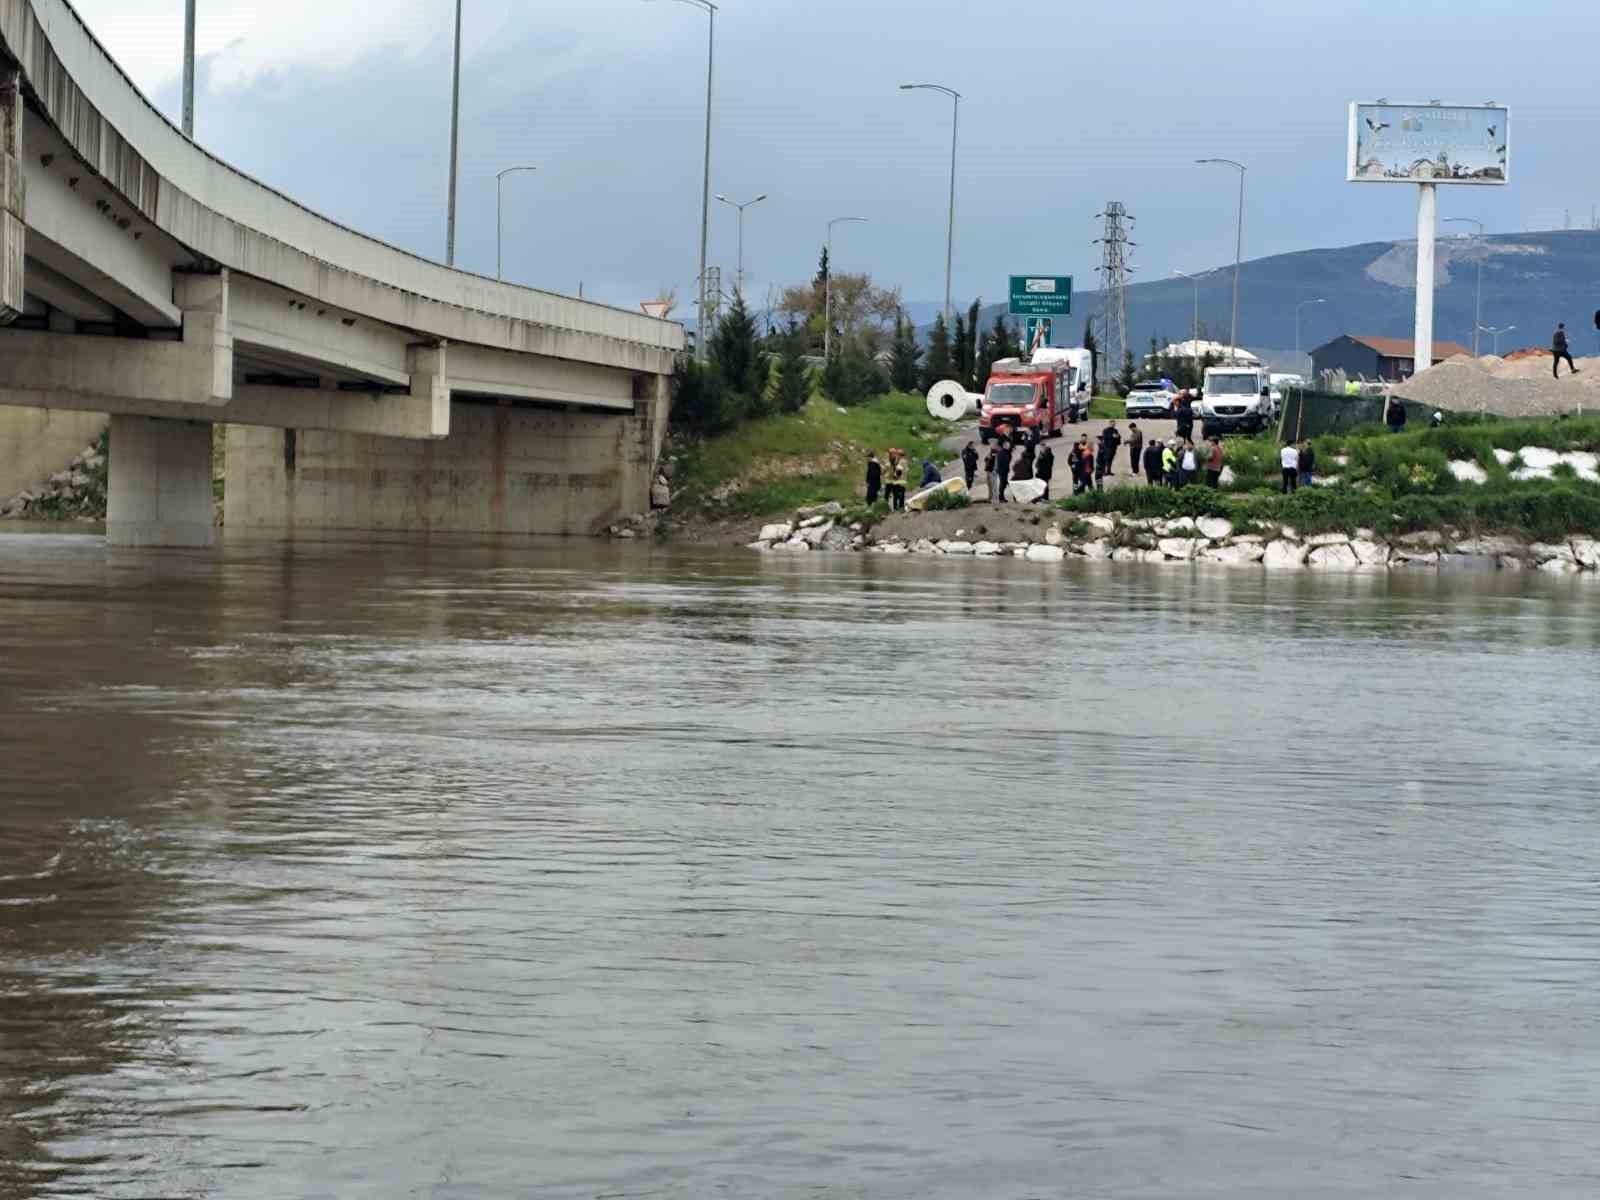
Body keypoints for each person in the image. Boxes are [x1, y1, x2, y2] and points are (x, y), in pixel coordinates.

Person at [994, 439, 1012, 503]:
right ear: (1004, 445)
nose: (1009, 446)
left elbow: (1008, 461)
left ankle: (1002, 497)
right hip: (1002, 471)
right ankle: (1001, 498)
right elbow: (1001, 463)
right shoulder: (1001, 452)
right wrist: (1003, 470)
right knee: (1002, 484)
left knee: (1004, 484)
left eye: (1009, 445)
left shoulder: (1006, 452)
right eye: (1007, 445)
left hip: (1005, 471)